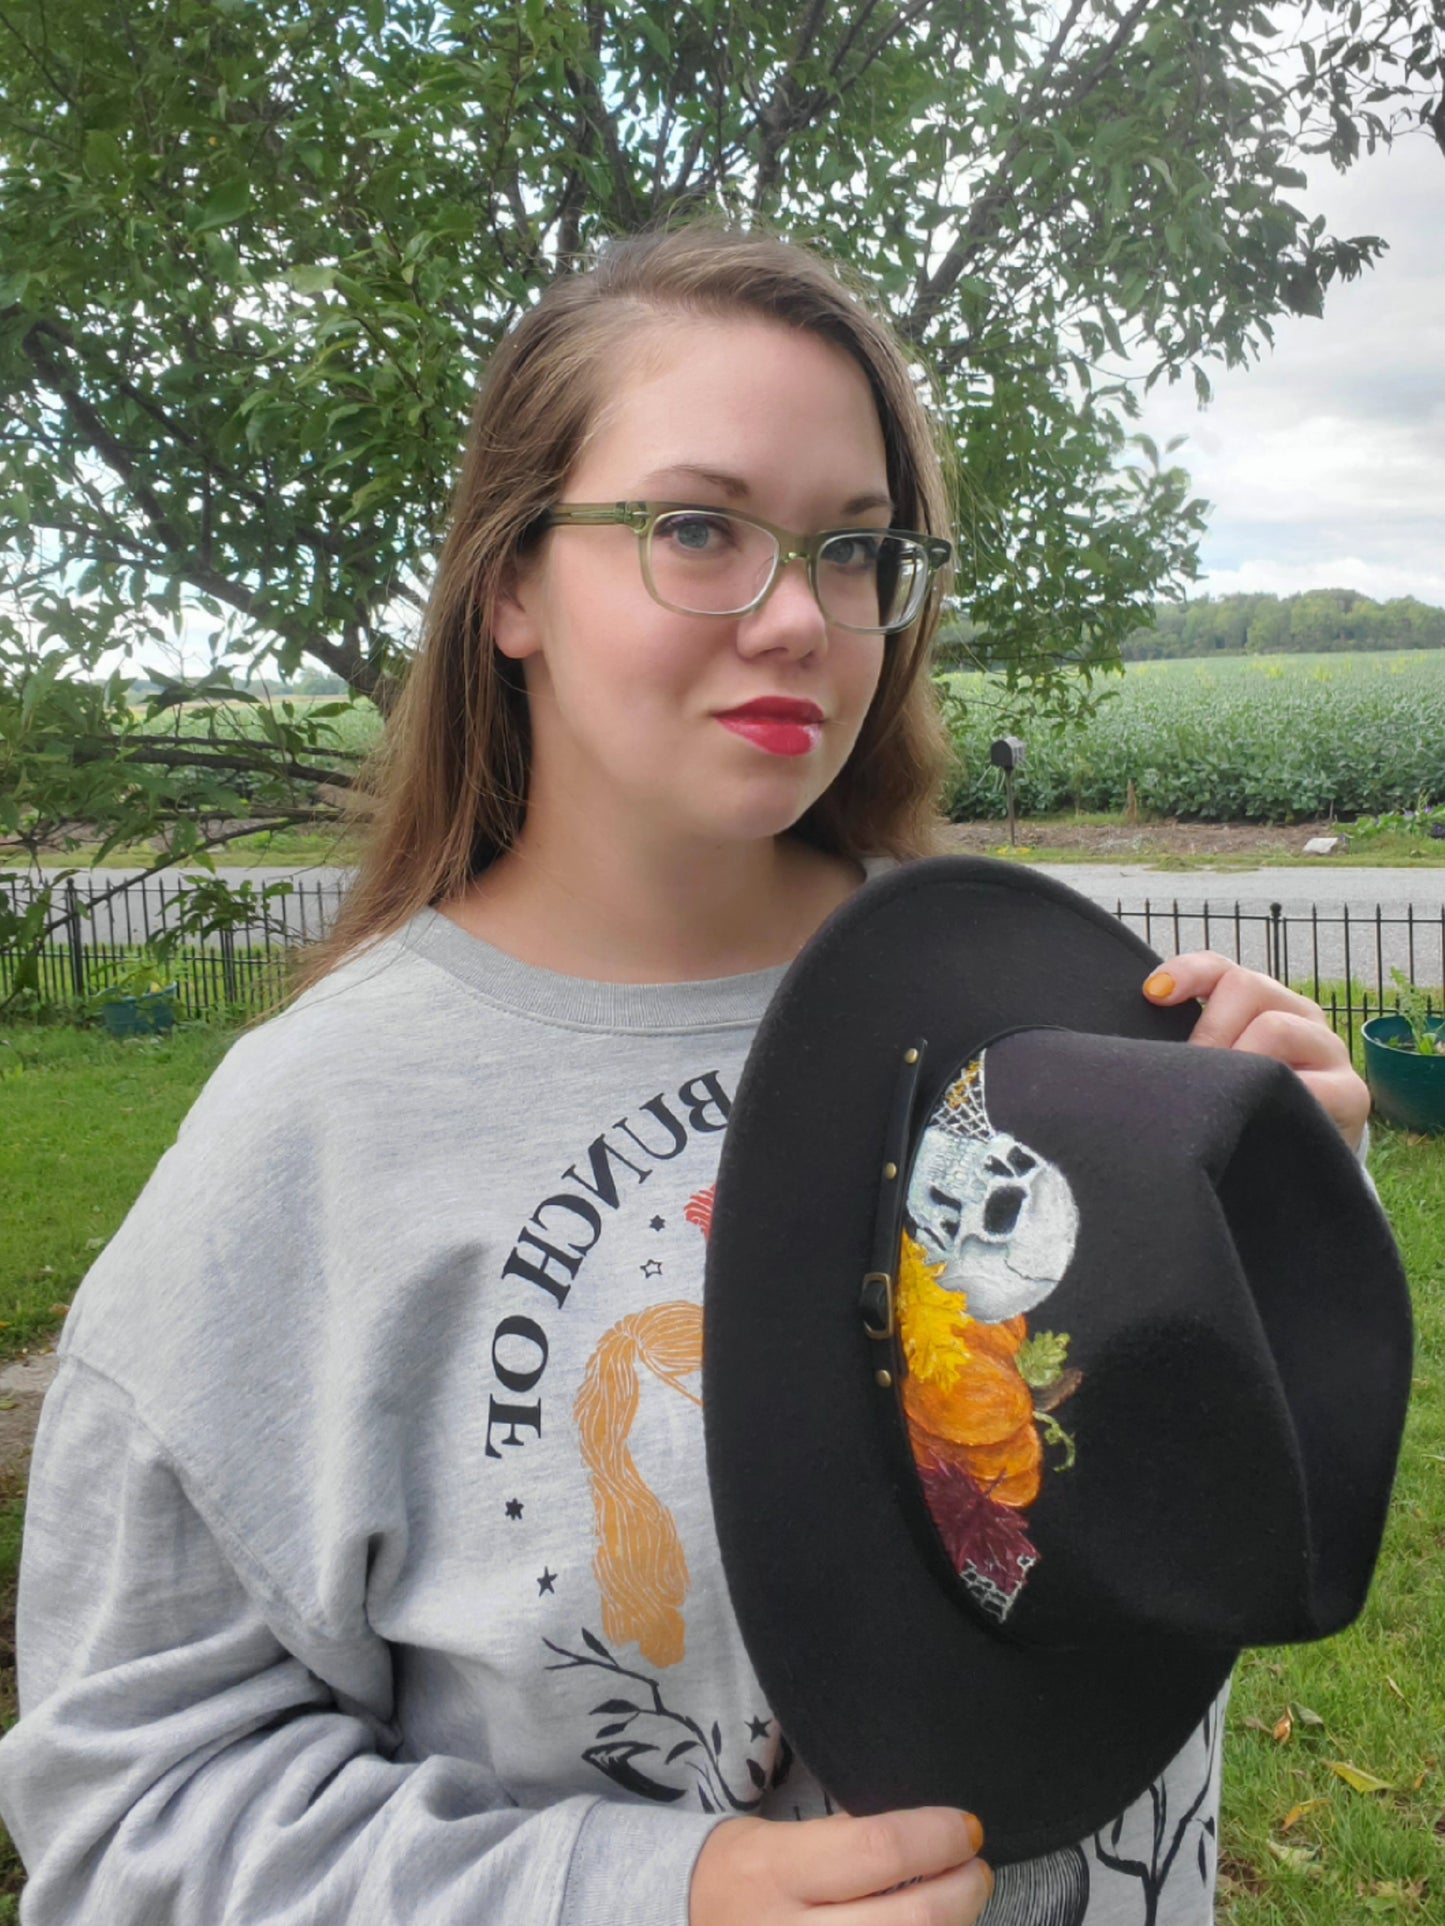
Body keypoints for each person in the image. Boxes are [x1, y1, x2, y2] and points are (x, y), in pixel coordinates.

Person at [0, 225, 1372, 1925]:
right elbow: (133, 1805)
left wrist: (1282, 1193)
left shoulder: (1039, 994)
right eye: (697, 529)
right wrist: (653, 1892)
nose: (801, 614)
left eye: (855, 546)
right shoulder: (320, 1133)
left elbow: (1201, 1484)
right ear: (509, 587)